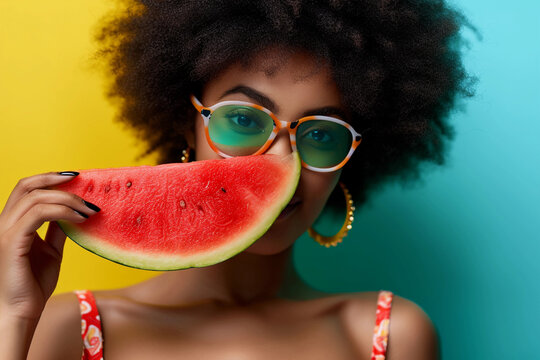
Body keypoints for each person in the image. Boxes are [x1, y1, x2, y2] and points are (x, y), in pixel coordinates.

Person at [0, 0, 473, 359]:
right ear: (190, 125)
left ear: (352, 158)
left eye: (322, 135)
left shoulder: (390, 336)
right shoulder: (72, 328)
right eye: (245, 121)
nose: (283, 163)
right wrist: (11, 319)